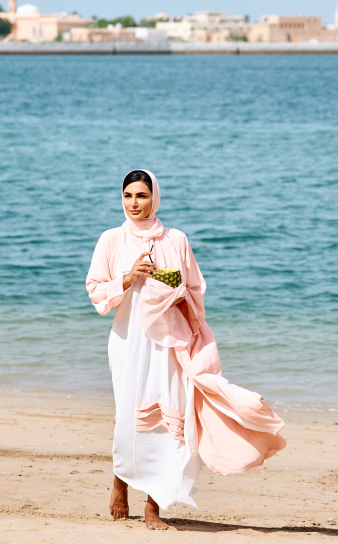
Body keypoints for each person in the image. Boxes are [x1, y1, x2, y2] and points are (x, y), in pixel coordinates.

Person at [86, 169, 286, 530]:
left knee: (168, 420)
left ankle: (153, 505)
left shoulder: (175, 239)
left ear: (154, 197)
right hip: (129, 342)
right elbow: (97, 292)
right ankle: (120, 481)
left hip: (170, 344)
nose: (135, 203)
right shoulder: (111, 240)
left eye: (142, 196)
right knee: (128, 418)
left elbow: (196, 290)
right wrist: (129, 278)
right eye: (128, 195)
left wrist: (176, 293)